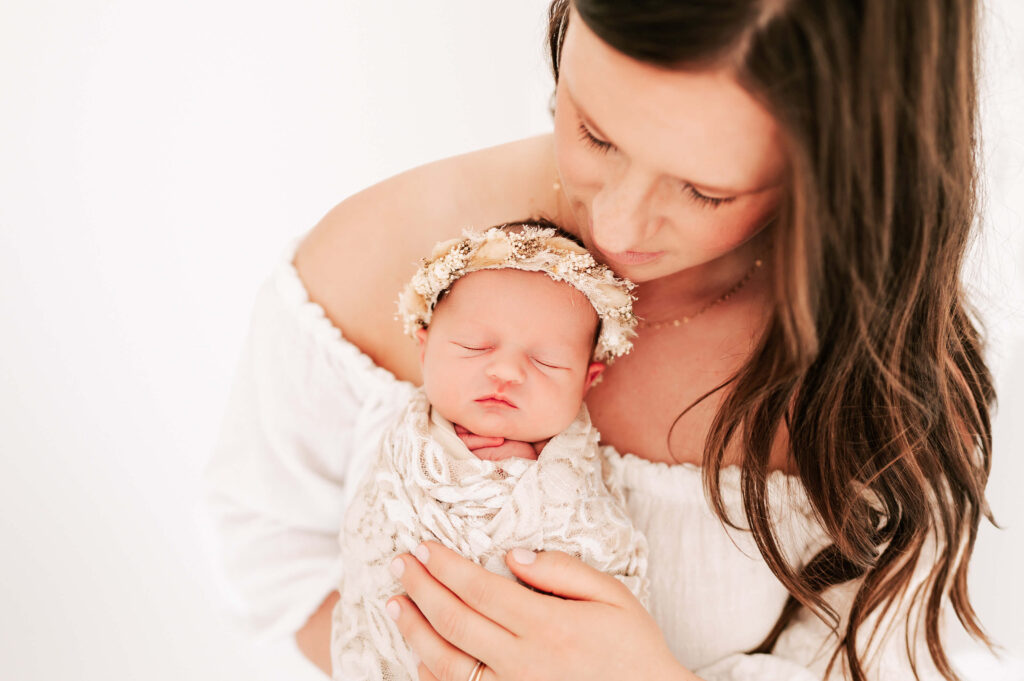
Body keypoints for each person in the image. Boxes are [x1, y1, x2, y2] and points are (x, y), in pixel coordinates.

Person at [203, 1, 996, 680]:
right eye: (592, 130)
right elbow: (270, 551)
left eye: (704, 190)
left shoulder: (879, 369)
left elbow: (886, 655)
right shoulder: (379, 252)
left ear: (842, 161)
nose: (614, 226)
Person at [331, 223, 649, 681]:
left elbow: (605, 554)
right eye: (474, 346)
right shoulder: (397, 442)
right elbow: (369, 542)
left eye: (546, 362)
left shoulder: (581, 472)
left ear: (588, 380)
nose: (505, 371)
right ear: (424, 349)